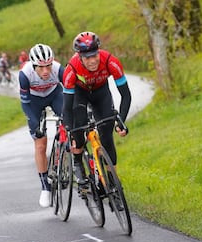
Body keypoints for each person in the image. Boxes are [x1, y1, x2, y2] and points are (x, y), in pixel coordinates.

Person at [62, 31, 131, 193]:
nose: (92, 61)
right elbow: (67, 106)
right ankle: (78, 162)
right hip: (80, 95)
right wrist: (69, 128)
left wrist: (121, 121)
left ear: (99, 52)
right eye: (87, 58)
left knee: (107, 135)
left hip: (101, 93)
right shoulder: (71, 69)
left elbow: (126, 95)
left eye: (95, 56)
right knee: (78, 129)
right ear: (79, 57)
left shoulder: (110, 61)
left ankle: (110, 178)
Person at [19, 44, 64, 208]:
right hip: (34, 101)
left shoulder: (59, 69)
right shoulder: (25, 74)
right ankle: (45, 187)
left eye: (48, 66)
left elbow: (73, 92)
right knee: (40, 144)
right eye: (41, 67)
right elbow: (25, 104)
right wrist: (35, 124)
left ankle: (65, 155)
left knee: (69, 121)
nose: (46, 71)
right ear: (33, 65)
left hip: (54, 95)